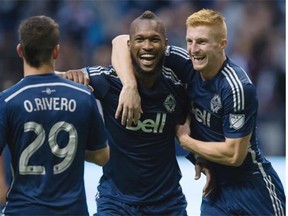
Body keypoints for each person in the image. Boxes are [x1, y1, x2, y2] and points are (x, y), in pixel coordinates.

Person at [111, 8, 286, 216]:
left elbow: (234, 155)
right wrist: (129, 86)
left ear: (222, 44)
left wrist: (186, 142)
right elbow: (121, 41)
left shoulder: (235, 87)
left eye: (201, 42)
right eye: (189, 41)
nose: (193, 49)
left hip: (253, 189)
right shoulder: (186, 62)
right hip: (216, 190)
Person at [64, 10, 194, 216]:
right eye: (140, 40)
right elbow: (53, 79)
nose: (147, 46)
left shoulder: (178, 86)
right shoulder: (109, 80)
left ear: (166, 45)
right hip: (116, 202)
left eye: (154, 40)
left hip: (167, 203)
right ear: (130, 45)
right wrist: (71, 77)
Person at [0, 15, 109, 215]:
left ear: (20, 51)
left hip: (23, 210)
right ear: (56, 51)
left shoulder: (8, 100)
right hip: (71, 211)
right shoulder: (83, 95)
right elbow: (102, 156)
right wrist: (69, 148)